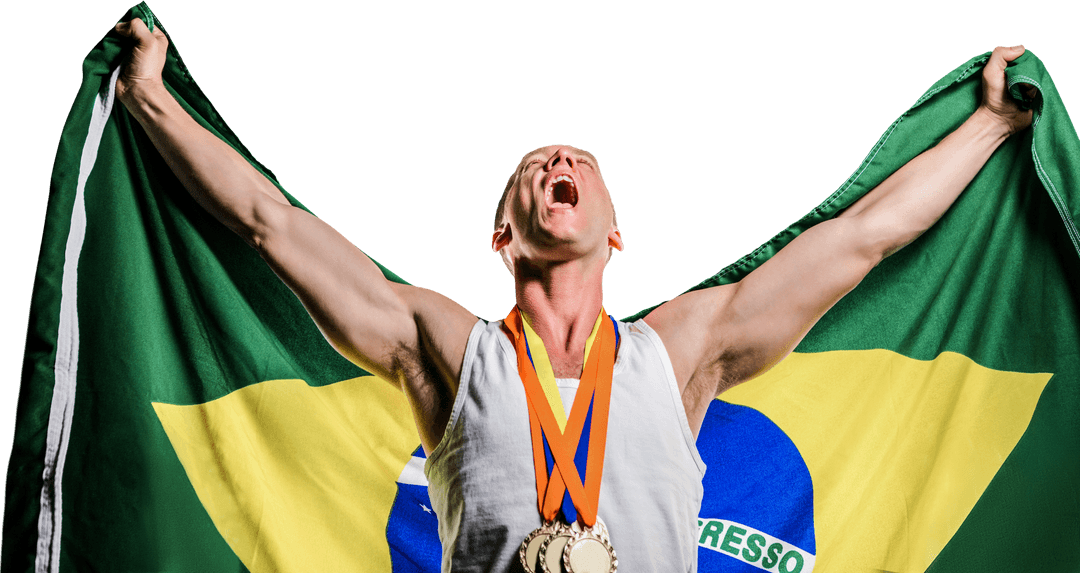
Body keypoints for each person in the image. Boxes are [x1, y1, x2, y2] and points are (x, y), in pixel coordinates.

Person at [113, 17, 1033, 573]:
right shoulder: (447, 348)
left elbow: (865, 237)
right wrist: (151, 99)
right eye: (535, 164)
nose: (559, 160)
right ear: (503, 232)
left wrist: (991, 124)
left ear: (615, 231)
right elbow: (270, 224)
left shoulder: (679, 351)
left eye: (580, 162)